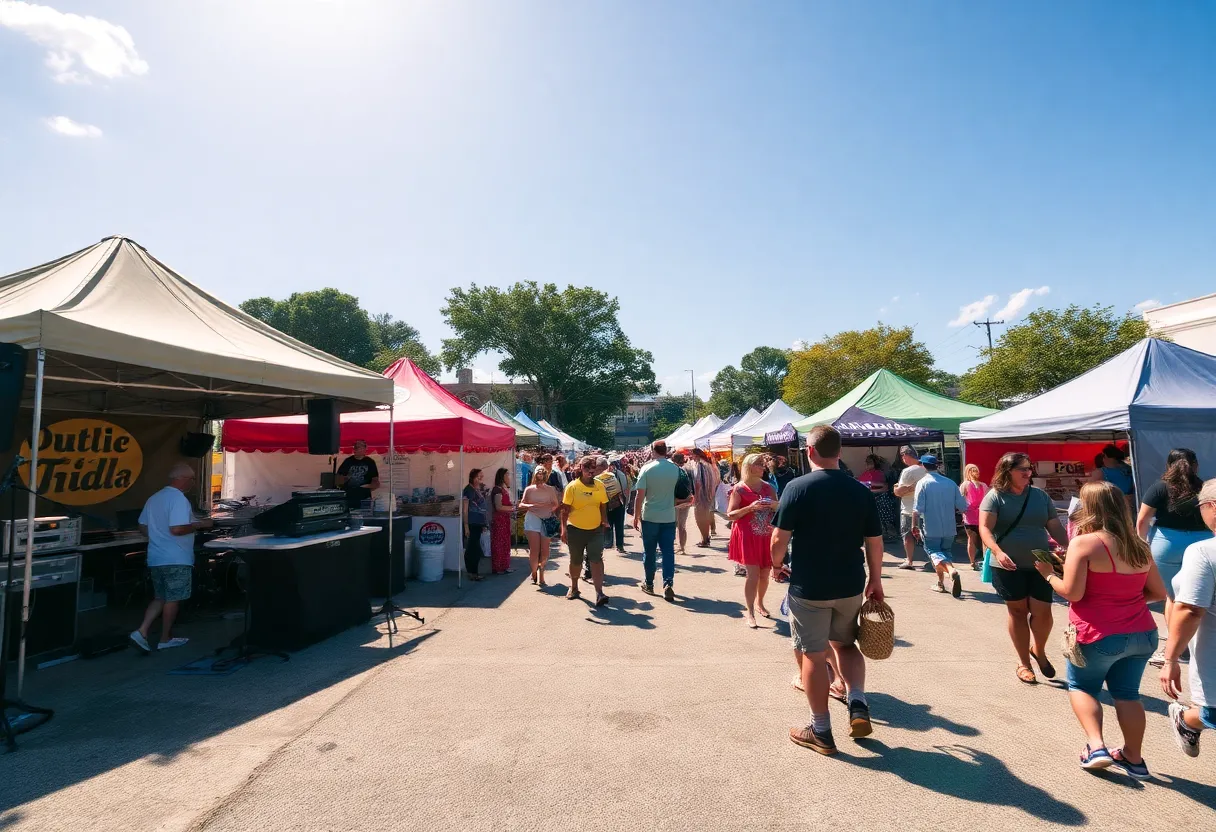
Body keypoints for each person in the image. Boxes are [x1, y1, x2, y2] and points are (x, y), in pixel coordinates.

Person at [1036, 481, 1166, 777]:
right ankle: (1134, 758)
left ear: (1088, 508)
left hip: (1097, 633)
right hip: (1142, 633)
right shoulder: (1139, 545)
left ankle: (1096, 747)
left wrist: (1048, 575)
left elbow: (1073, 592)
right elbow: (1158, 592)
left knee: (1082, 687)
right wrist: (1126, 599)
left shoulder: (1085, 543)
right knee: (1128, 694)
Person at [772, 425, 885, 755]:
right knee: (846, 645)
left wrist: (776, 565)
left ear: (809, 451)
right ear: (839, 451)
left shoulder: (797, 487)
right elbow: (875, 542)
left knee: (813, 653)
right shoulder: (860, 490)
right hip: (850, 582)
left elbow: (779, 538)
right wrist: (876, 579)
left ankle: (820, 730)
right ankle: (857, 701)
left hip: (810, 584)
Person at [980, 452, 1070, 685]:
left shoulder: (1039, 496)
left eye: (1029, 468)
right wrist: (998, 552)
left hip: (1041, 564)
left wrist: (1071, 547)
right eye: (1022, 469)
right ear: (1007, 471)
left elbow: (1054, 526)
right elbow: (985, 529)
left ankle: (1038, 650)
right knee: (1018, 612)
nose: (1028, 473)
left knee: (1043, 612)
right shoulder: (995, 496)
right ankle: (1024, 663)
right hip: (1008, 565)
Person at [1137, 448, 1211, 665]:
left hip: (1166, 546)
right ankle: (1198, 644)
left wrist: (1141, 544)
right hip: (1202, 545)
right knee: (1200, 596)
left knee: (1173, 597)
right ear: (1196, 465)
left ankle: (1175, 648)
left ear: (1169, 465)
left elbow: (1142, 520)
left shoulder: (1159, 487)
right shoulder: (1204, 487)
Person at [129, 462, 213, 653]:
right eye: (192, 479)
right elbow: (177, 529)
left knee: (160, 597)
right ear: (183, 479)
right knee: (173, 599)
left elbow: (142, 525)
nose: (193, 483)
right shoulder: (178, 499)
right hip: (176, 558)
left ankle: (142, 631)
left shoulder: (154, 498)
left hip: (156, 557)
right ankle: (165, 638)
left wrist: (157, 536)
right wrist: (201, 524)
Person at [1161, 479, 1216, 758]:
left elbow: (1190, 609)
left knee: (1212, 711)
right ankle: (1188, 721)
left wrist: (1170, 659)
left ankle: (1186, 721)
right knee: (1211, 712)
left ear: (1212, 507)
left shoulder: (1203, 552)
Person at [727, 453, 777, 628]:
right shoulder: (739, 489)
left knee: (765, 574)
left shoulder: (768, 487)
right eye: (759, 464)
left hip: (766, 535)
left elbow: (779, 507)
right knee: (753, 575)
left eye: (763, 464)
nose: (763, 467)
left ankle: (760, 603)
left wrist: (772, 504)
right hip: (747, 536)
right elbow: (731, 515)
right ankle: (750, 612)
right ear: (749, 466)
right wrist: (750, 507)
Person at [913, 454, 968, 598]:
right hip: (950, 527)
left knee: (934, 553)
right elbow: (963, 506)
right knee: (944, 553)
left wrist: (914, 526)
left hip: (931, 527)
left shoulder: (923, 483)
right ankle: (941, 582)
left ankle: (951, 571)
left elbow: (917, 509)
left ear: (923, 466)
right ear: (937, 466)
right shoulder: (950, 483)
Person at [633, 440, 680, 601]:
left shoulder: (647, 468)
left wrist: (636, 515)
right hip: (669, 516)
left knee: (650, 551)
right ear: (665, 450)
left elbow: (640, 495)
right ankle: (668, 583)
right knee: (668, 552)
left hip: (650, 516)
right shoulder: (675, 469)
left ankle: (649, 583)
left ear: (653, 450)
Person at [561, 456, 609, 606]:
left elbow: (603, 504)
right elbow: (565, 510)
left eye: (593, 468)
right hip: (575, 529)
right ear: (581, 468)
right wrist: (563, 529)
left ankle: (599, 593)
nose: (590, 471)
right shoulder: (572, 487)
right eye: (587, 468)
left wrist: (604, 520)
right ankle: (574, 587)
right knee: (576, 561)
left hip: (595, 530)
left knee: (596, 559)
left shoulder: (600, 485)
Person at [519, 466, 560, 586]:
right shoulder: (529, 489)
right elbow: (521, 504)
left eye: (542, 474)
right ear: (534, 475)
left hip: (546, 520)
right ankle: (534, 571)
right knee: (534, 549)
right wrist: (529, 506)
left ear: (545, 476)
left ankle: (541, 572)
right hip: (532, 519)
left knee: (545, 550)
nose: (540, 476)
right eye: (538, 474)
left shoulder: (550, 489)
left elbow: (555, 504)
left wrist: (549, 509)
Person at [892, 446, 927, 570]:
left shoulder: (908, 471)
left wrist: (896, 488)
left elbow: (899, 492)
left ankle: (909, 560)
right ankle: (933, 560)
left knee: (907, 535)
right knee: (927, 536)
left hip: (908, 509)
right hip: (926, 509)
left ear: (905, 455)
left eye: (902, 456)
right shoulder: (928, 469)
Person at [335, 439, 380, 509]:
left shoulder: (370, 462)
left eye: (360, 447)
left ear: (365, 449)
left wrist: (367, 486)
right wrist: (346, 478)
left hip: (364, 497)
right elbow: (337, 481)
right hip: (349, 496)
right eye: (356, 447)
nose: (357, 448)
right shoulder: (348, 461)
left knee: (364, 514)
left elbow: (375, 481)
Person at [598, 457, 629, 554]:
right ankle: (616, 545)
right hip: (617, 502)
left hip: (609, 504)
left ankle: (610, 543)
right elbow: (624, 487)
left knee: (611, 523)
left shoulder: (599, 477)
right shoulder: (619, 474)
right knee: (617, 525)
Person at [960, 464, 988, 571]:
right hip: (982, 515)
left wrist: (963, 511)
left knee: (971, 540)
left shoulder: (965, 485)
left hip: (969, 517)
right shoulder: (983, 485)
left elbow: (961, 500)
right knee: (984, 539)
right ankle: (985, 560)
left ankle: (972, 562)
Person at [462, 469, 488, 582]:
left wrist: (484, 523)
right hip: (472, 522)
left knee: (475, 548)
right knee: (473, 549)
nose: (480, 479)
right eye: (478, 477)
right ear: (472, 478)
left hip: (478, 522)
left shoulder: (477, 490)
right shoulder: (468, 490)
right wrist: (466, 526)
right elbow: (465, 510)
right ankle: (472, 572)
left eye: (481, 476)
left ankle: (474, 572)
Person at [689, 447, 718, 548]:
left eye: (692, 454)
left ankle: (705, 539)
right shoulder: (708, 464)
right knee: (705, 517)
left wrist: (696, 496)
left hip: (702, 496)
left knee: (700, 518)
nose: (691, 457)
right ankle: (705, 538)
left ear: (696, 455)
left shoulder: (700, 465)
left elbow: (698, 482)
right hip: (709, 495)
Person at [489, 468, 515, 575]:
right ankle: (498, 567)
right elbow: (498, 507)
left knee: (505, 543)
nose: (509, 477)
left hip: (505, 519)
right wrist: (512, 508)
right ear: (502, 477)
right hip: (499, 520)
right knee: (499, 543)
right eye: (507, 475)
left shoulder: (503, 489)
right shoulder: (497, 490)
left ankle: (505, 565)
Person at [672, 452, 694, 555]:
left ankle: (672, 545)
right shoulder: (688, 469)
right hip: (687, 499)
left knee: (673, 524)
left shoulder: (672, 469)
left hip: (676, 500)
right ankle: (682, 547)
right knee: (682, 525)